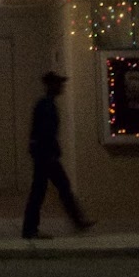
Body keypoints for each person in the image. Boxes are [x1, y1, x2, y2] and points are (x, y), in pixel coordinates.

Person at [22, 71, 94, 239]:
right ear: (52, 86)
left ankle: (32, 228)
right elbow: (45, 132)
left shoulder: (45, 104)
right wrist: (51, 152)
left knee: (45, 190)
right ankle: (31, 229)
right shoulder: (46, 105)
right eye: (59, 84)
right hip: (46, 156)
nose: (62, 87)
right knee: (54, 189)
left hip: (43, 154)